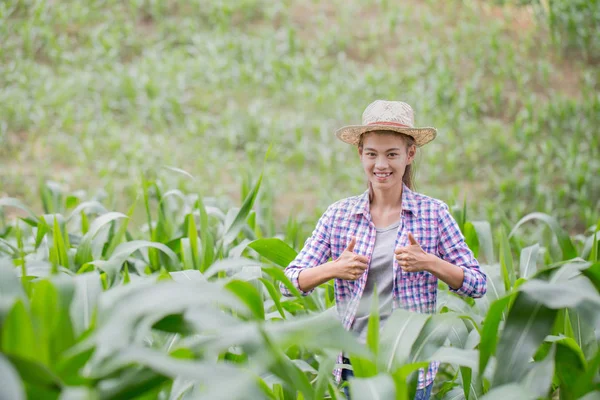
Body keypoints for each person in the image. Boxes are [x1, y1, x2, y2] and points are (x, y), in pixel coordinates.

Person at [280, 100, 487, 400]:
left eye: (392, 154)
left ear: (410, 154)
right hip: (355, 370)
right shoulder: (339, 216)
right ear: (360, 153)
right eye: (371, 154)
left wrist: (430, 262)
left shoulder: (434, 214)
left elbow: (477, 284)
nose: (381, 165)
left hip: (411, 370)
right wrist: (334, 269)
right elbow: (288, 284)